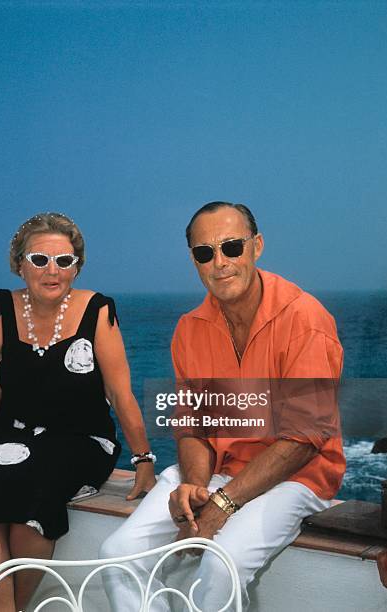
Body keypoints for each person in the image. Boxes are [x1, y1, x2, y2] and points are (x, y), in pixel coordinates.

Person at [100, 201, 345, 611]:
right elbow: (193, 425)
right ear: (194, 260)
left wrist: (223, 504)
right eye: (205, 252)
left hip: (297, 477)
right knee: (117, 557)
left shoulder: (305, 319)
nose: (220, 262)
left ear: (257, 246)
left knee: (221, 565)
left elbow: (303, 439)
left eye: (232, 247)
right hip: (221, 471)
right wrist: (196, 487)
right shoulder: (190, 328)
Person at [0, 212, 156, 612]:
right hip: (13, 433)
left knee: (39, 480)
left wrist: (143, 460)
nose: (52, 270)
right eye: (40, 259)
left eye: (65, 261)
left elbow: (120, 392)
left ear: (77, 266)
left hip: (81, 438)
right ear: (20, 263)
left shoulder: (98, 311)